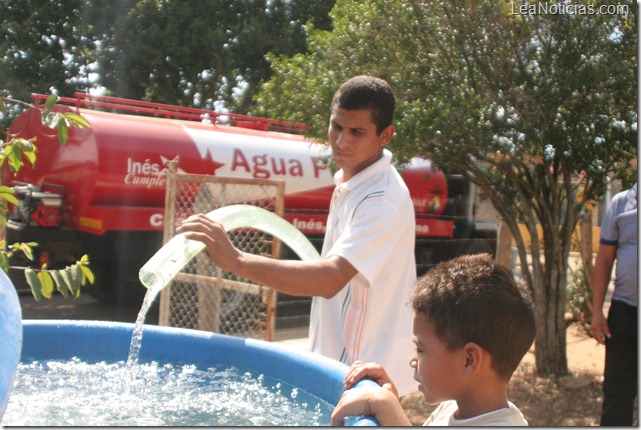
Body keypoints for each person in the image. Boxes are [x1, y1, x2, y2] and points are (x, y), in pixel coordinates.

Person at [176, 75, 417, 395]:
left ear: (385, 135)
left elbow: (330, 279)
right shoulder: (353, 181)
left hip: (361, 376)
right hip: (340, 367)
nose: (341, 141)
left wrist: (236, 260)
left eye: (357, 132)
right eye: (336, 127)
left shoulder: (381, 200)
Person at [331, 253, 536, 426]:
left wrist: (387, 408)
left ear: (469, 360)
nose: (412, 360)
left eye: (420, 349)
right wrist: (393, 405)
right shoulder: (454, 408)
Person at [590, 183, 637, 426]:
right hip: (625, 314)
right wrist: (597, 312)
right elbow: (605, 259)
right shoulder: (621, 203)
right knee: (617, 395)